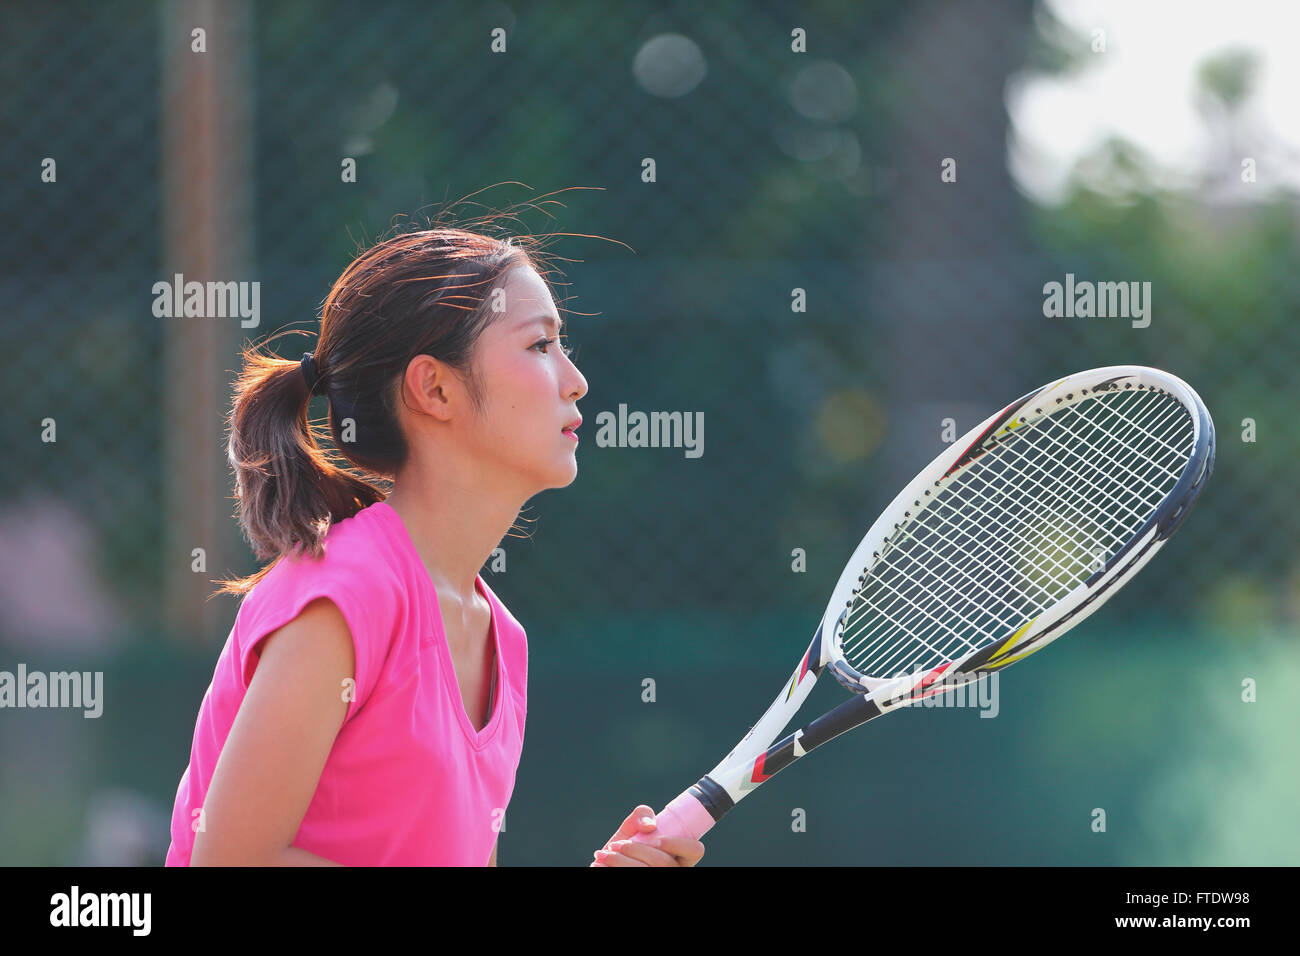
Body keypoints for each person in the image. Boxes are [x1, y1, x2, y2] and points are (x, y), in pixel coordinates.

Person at [163, 221, 704, 867]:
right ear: (435, 389)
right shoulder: (344, 592)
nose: (575, 379)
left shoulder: (502, 638)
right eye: (540, 346)